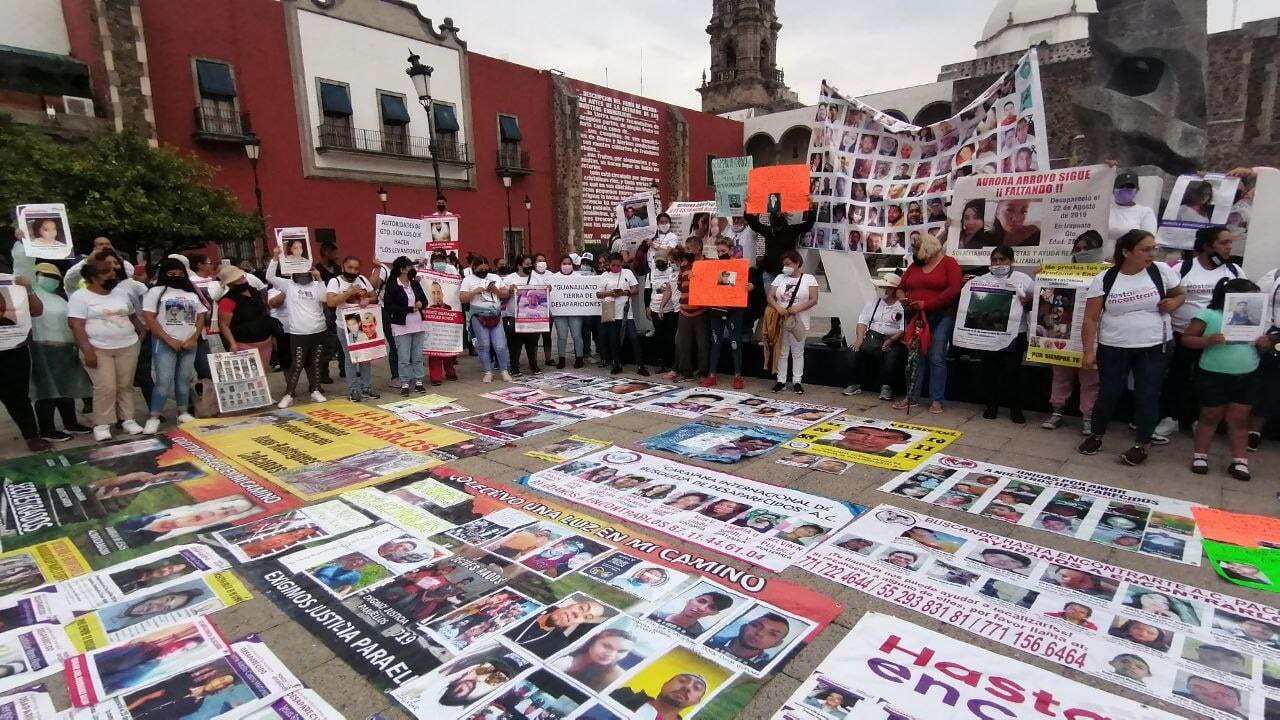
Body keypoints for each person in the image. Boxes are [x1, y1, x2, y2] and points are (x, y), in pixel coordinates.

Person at [1079, 230, 1186, 465]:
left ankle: (1141, 444)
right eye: (1145, 249)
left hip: (1154, 345)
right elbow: (1090, 318)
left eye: (1154, 248)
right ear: (1127, 252)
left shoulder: (1161, 271)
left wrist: (1174, 302)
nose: (1152, 254)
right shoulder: (1106, 278)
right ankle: (1096, 435)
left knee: (1147, 394)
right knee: (1109, 392)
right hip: (1114, 346)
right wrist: (1088, 351)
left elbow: (1180, 294)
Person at [1160, 225, 1242, 437]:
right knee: (1177, 377)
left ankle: (1201, 420)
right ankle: (1171, 417)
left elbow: (1245, 299)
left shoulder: (1233, 271)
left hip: (1217, 340)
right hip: (1183, 335)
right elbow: (1167, 295)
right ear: (1207, 245)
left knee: (1208, 382)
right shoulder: (1183, 268)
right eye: (1224, 243)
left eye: (1230, 242)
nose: (1229, 247)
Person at [1181, 277, 1260, 480]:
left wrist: (1265, 343)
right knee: (1209, 416)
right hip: (1213, 373)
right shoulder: (1209, 314)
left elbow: (1263, 342)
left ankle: (1240, 460)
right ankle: (1200, 455)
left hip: (1246, 372)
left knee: (1239, 419)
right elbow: (1187, 339)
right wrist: (1207, 341)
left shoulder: (1257, 317)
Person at [68, 258, 146, 441]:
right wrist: (87, 350)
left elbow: (132, 314)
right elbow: (76, 325)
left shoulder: (120, 293)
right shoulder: (80, 297)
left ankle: (128, 419)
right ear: (94, 278)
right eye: (107, 272)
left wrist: (141, 332)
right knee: (105, 387)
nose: (113, 274)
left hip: (128, 346)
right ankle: (103, 424)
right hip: (98, 349)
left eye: (112, 271)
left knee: (125, 385)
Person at [895, 232, 962, 412]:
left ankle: (936, 399)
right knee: (916, 357)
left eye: (917, 248)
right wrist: (901, 297)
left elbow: (954, 289)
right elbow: (901, 286)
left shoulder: (949, 263)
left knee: (936, 356)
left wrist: (928, 304)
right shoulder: (915, 266)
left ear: (927, 247)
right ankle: (912, 396)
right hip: (915, 317)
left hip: (941, 316)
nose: (914, 251)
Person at [26, 262, 93, 441]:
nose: (52, 280)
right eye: (46, 275)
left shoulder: (60, 298)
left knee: (66, 389)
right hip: (42, 348)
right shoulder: (30, 295)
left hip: (65, 349)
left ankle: (70, 424)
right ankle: (47, 429)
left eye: (56, 277)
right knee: (46, 391)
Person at [969, 245, 1033, 423]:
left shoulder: (1024, 279)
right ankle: (991, 405)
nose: (998, 263)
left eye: (1002, 260)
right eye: (994, 260)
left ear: (1011, 261)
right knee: (989, 371)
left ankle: (1016, 409)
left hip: (1015, 334)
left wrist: (1028, 302)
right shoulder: (982, 279)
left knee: (1013, 372)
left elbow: (1036, 306)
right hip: (989, 334)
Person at [141, 258, 205, 433]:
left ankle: (183, 412)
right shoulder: (155, 292)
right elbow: (149, 318)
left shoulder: (191, 294)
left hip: (189, 343)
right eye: (171, 274)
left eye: (179, 273)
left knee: (184, 379)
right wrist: (168, 339)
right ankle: (154, 416)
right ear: (164, 274)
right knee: (163, 380)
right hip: (164, 343)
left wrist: (194, 338)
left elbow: (200, 317)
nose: (176, 277)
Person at [266, 252, 329, 408]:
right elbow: (270, 277)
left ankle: (315, 390)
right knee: (297, 364)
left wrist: (319, 278)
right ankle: (289, 394)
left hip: (318, 329)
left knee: (315, 362)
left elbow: (325, 298)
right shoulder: (288, 285)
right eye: (299, 271)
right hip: (298, 332)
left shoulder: (316, 285)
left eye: (305, 270)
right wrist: (275, 258)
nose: (302, 274)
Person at [0, 270, 47, 452]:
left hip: (13, 351)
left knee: (18, 397)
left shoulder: (13, 283)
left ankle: (31, 436)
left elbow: (37, 310)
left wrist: (27, 288)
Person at [844, 273, 905, 400]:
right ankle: (854, 384)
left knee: (892, 356)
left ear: (893, 290)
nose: (881, 290)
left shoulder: (901, 306)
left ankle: (887, 387)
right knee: (852, 351)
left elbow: (903, 329)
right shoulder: (873, 303)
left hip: (893, 339)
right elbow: (862, 321)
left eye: (884, 287)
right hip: (873, 338)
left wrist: (892, 340)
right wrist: (859, 339)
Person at [325, 255, 378, 401]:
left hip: (364, 324)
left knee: (365, 357)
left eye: (356, 268)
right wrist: (349, 292)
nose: (353, 271)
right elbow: (330, 302)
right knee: (351, 359)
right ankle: (354, 389)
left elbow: (374, 296)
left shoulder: (362, 280)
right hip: (345, 326)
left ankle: (366, 387)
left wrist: (368, 299)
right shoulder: (335, 282)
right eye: (350, 268)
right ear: (343, 267)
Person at [768, 250, 818, 393]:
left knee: (797, 351)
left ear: (797, 263)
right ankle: (781, 380)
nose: (785, 267)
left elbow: (813, 299)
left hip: (798, 320)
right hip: (781, 318)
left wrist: (798, 308)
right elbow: (770, 296)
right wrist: (778, 307)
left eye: (788, 264)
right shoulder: (779, 278)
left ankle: (797, 381)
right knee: (782, 351)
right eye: (784, 264)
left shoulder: (809, 279)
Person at [703, 237, 750, 389]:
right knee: (715, 342)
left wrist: (750, 286)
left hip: (734, 309)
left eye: (723, 251)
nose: (720, 254)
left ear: (731, 250)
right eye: (718, 251)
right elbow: (706, 284)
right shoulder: (713, 265)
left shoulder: (739, 265)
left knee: (735, 342)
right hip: (716, 308)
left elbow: (745, 284)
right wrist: (696, 277)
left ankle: (738, 376)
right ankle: (711, 375)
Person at [459, 256, 512, 383]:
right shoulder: (468, 280)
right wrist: (475, 292)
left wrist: (496, 291)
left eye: (485, 268)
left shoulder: (495, 277)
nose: (483, 270)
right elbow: (462, 298)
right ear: (474, 267)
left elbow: (506, 294)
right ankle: (488, 371)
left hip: (496, 315)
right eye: (480, 268)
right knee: (484, 345)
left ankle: (504, 370)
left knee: (500, 345)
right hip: (478, 316)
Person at [597, 252, 649, 376]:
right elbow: (598, 294)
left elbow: (636, 289)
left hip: (626, 313)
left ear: (622, 264)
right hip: (611, 311)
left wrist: (625, 292)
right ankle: (617, 364)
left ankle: (640, 365)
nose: (616, 268)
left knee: (633, 337)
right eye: (613, 265)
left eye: (619, 265)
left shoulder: (627, 273)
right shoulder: (604, 275)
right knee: (614, 340)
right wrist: (611, 293)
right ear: (609, 265)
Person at [215, 264, 275, 372]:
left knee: (263, 374)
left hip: (265, 341)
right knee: (251, 375)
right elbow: (224, 325)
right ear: (230, 283)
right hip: (244, 344)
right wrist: (232, 343)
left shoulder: (254, 291)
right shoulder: (227, 301)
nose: (242, 280)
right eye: (237, 279)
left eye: (242, 277)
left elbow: (264, 310)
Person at [383, 256, 429, 394]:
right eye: (409, 267)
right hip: (401, 326)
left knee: (417, 356)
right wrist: (408, 309)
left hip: (418, 324)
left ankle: (419, 381)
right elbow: (389, 306)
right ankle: (404, 383)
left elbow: (424, 300)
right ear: (402, 269)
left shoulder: (415, 284)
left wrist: (421, 304)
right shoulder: (392, 286)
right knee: (403, 356)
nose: (412, 269)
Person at [666, 242, 708, 382]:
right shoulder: (683, 265)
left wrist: (696, 275)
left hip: (700, 310)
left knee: (702, 344)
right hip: (684, 309)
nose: (688, 251)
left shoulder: (707, 264)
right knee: (683, 343)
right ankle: (686, 372)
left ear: (698, 248)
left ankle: (703, 372)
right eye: (687, 248)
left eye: (690, 248)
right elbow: (679, 285)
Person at [744, 210, 816, 287]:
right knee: (772, 297)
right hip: (771, 272)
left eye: (780, 215)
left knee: (783, 297)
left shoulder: (773, 230)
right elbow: (753, 223)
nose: (778, 217)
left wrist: (811, 208)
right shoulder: (787, 230)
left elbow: (809, 224)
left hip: (785, 273)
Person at [548, 628, 634, 691]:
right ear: (593, 640)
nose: (610, 654)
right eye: (607, 646)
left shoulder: (616, 677)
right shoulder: (565, 652)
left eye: (622, 651)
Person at [1102, 169, 1158, 263]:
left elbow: (1146, 242)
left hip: (1128, 264)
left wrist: (1118, 259)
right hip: (1099, 263)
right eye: (1121, 186)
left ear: (1137, 190)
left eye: (1130, 187)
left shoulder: (1145, 212)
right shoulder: (1104, 210)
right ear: (1113, 189)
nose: (1125, 189)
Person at [503, 254, 545, 375]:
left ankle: (534, 365)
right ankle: (514, 367)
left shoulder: (536, 278)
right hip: (513, 316)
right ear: (519, 265)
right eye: (526, 264)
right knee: (515, 343)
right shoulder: (510, 278)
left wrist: (547, 289)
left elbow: (542, 295)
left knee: (532, 342)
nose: (529, 266)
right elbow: (503, 296)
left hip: (532, 317)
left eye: (531, 264)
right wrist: (510, 290)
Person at [705, 612, 790, 670]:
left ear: (777, 644)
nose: (760, 633)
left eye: (773, 634)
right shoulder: (709, 640)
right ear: (743, 627)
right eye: (756, 626)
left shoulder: (765, 666)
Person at [425, 250, 461, 385]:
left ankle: (450, 369)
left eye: (441, 259)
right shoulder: (426, 272)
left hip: (449, 313)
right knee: (434, 344)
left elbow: (457, 286)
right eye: (436, 260)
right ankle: (435, 375)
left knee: (448, 343)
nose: (439, 262)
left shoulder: (452, 270)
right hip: (432, 315)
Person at [611, 672, 707, 720]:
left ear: (697, 701)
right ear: (665, 685)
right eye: (682, 681)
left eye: (697, 688)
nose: (687, 687)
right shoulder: (621, 695)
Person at [647, 248, 678, 375]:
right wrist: (647, 307)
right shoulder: (651, 274)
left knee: (670, 336)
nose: (660, 264)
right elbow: (647, 291)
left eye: (663, 261)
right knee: (658, 336)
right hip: (655, 307)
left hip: (670, 308)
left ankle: (671, 363)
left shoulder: (673, 272)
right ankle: (660, 362)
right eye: (658, 261)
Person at [552, 255, 586, 369]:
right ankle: (561, 359)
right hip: (559, 312)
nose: (567, 265)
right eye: (564, 263)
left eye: (569, 263)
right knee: (561, 336)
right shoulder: (554, 277)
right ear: (560, 265)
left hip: (575, 311)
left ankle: (579, 358)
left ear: (572, 265)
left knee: (577, 335)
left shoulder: (579, 277)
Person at [650, 591, 733, 636]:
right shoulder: (653, 614)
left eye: (712, 607)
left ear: (714, 613)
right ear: (690, 601)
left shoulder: (700, 635)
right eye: (701, 601)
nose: (702, 608)